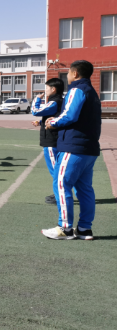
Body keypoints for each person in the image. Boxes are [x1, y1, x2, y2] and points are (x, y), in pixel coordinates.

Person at [42, 61, 101, 241]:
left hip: (74, 147)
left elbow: (69, 115)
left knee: (61, 183)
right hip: (89, 148)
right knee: (84, 189)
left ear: (74, 73)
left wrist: (52, 122)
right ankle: (84, 229)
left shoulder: (77, 90)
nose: (66, 76)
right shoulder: (91, 92)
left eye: (67, 73)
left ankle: (65, 228)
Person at [30, 78, 64, 204]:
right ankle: (58, 194)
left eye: (47, 88)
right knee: (56, 169)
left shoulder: (54, 102)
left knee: (55, 170)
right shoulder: (60, 101)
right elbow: (55, 117)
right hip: (54, 139)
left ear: (53, 89)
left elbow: (35, 111)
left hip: (51, 141)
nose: (45, 90)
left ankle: (59, 196)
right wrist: (41, 122)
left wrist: (37, 99)